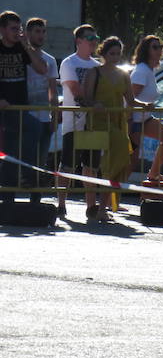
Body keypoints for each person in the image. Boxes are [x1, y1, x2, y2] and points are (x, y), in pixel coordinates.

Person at [81, 37, 151, 221]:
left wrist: (145, 105)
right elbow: (85, 97)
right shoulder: (93, 72)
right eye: (112, 53)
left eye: (118, 53)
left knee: (118, 164)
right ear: (103, 54)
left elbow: (131, 100)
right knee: (92, 167)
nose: (115, 57)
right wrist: (94, 104)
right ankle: (91, 207)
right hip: (95, 125)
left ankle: (103, 208)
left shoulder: (124, 74)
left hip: (118, 125)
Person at [0, 11, 47, 204]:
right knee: (32, 129)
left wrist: (26, 46)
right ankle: (25, 176)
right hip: (4, 109)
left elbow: (42, 69)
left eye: (19, 29)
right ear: (2, 30)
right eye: (13, 29)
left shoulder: (22, 48)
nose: (17, 32)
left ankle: (9, 194)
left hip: (20, 108)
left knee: (12, 150)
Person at [57, 24, 100, 217]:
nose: (94, 41)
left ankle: (91, 206)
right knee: (68, 166)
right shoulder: (69, 63)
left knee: (91, 166)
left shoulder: (97, 65)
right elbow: (75, 89)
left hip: (92, 124)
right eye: (90, 38)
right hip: (73, 123)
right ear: (79, 41)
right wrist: (93, 103)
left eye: (95, 38)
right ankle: (61, 203)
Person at [129, 35, 163, 183]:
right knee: (131, 160)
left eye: (160, 47)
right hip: (133, 121)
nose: (159, 50)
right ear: (146, 50)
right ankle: (114, 197)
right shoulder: (142, 71)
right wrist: (141, 109)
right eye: (154, 47)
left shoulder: (149, 70)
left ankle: (154, 173)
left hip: (144, 119)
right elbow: (128, 98)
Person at [24, 18, 59, 202]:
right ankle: (9, 202)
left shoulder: (50, 60)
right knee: (20, 160)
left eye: (43, 31)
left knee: (40, 161)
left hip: (44, 117)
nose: (40, 35)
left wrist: (54, 116)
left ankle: (35, 201)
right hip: (24, 117)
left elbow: (53, 91)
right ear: (28, 33)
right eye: (37, 31)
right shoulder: (20, 57)